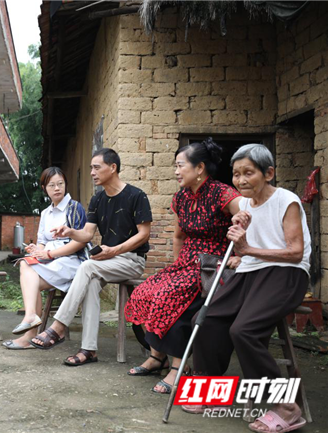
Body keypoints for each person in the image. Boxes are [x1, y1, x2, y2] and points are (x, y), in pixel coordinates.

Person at [184, 144, 310, 432]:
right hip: (251, 271)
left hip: (286, 274)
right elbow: (249, 246)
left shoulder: (286, 201)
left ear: (268, 173)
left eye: (248, 173)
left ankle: (286, 406)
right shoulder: (241, 204)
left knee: (244, 330)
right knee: (206, 320)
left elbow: (294, 252)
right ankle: (212, 388)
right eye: (236, 174)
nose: (240, 180)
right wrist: (240, 250)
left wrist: (248, 248)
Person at [124, 138, 242, 394]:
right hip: (186, 263)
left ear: (199, 168)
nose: (176, 172)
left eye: (180, 166)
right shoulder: (181, 198)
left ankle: (179, 366)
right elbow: (178, 236)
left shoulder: (224, 194)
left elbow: (249, 220)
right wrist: (177, 266)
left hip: (212, 264)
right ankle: (157, 356)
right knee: (144, 292)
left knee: (170, 298)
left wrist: (242, 255)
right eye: (175, 166)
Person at [30, 148, 152, 366]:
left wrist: (115, 250)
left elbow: (144, 235)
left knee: (86, 267)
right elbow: (87, 234)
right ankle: (89, 350)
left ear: (112, 168)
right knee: (91, 283)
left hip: (131, 260)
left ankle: (58, 327)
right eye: (91, 168)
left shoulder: (136, 196)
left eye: (96, 168)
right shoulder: (97, 199)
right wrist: (70, 232)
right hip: (106, 262)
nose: (92, 173)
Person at [2, 167, 87, 350]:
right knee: (27, 265)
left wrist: (48, 254)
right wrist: (36, 249)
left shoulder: (74, 208)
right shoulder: (46, 213)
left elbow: (79, 243)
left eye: (60, 184)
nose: (57, 188)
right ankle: (31, 326)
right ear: (45, 188)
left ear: (65, 184)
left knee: (28, 272)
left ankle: (30, 329)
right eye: (52, 185)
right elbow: (42, 242)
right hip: (51, 261)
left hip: (71, 261)